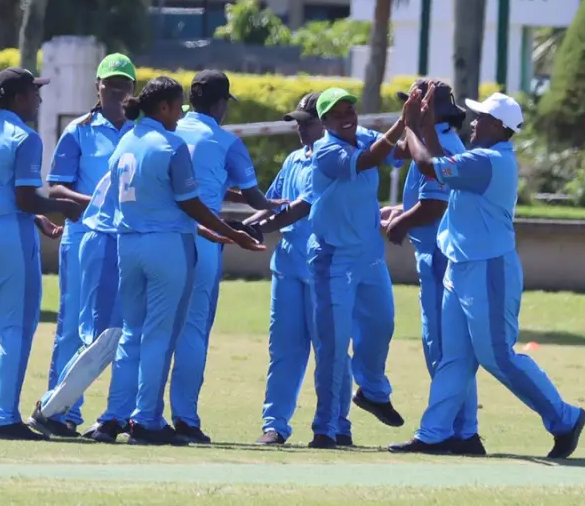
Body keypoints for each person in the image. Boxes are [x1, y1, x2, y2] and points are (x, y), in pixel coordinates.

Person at [391, 87, 585, 459]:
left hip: (489, 270)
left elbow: (428, 165)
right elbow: (439, 157)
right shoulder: (480, 157)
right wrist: (426, 124)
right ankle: (433, 434)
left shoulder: (489, 161)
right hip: (462, 266)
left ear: (498, 125)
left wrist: (413, 125)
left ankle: (565, 418)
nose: (474, 122)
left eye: (481, 117)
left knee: (498, 356)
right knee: (455, 358)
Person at [110, 76, 266, 446]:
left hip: (127, 243)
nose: (179, 115)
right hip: (169, 244)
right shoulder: (172, 143)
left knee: (132, 333)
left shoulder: (126, 140)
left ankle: (114, 416)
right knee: (169, 334)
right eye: (175, 108)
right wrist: (231, 233)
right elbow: (191, 204)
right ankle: (151, 420)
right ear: (163, 106)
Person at [0, 67, 81, 441]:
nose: (39, 99)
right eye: (33, 92)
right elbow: (25, 198)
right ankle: (3, 417)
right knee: (15, 326)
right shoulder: (25, 137)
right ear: (17, 98)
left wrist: (40, 214)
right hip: (6, 233)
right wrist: (64, 206)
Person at [170, 70, 281, 443]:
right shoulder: (226, 141)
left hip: (159, 235)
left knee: (152, 330)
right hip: (203, 238)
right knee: (193, 330)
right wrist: (277, 205)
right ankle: (185, 418)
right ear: (220, 104)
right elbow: (255, 197)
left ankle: (137, 416)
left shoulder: (167, 129)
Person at [32, 53, 137, 437]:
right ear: (98, 86)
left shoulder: (141, 132)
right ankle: (60, 410)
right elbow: (56, 186)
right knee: (74, 326)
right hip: (83, 236)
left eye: (125, 85)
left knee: (122, 328)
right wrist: (95, 201)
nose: (118, 91)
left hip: (127, 237)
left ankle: (118, 412)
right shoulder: (79, 130)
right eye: (111, 84)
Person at [380, 78, 484, 456]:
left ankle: (460, 432)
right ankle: (463, 431)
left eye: (412, 104)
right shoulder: (431, 138)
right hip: (433, 254)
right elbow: (393, 155)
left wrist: (400, 223)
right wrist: (398, 212)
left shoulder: (444, 144)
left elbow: (434, 205)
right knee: (442, 347)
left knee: (443, 347)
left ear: (431, 111)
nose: (405, 109)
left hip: (441, 255)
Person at [302, 87, 407, 449]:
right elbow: (368, 160)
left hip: (370, 256)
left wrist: (421, 120)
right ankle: (326, 426)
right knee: (333, 345)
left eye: (350, 110)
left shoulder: (364, 134)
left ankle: (373, 391)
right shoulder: (325, 150)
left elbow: (398, 152)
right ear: (324, 121)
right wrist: (403, 121)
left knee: (382, 325)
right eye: (336, 113)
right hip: (334, 258)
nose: (346, 117)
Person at [243, 92, 326, 445]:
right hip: (289, 263)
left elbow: (300, 208)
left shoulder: (331, 160)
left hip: (322, 263)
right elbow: (272, 203)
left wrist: (259, 228)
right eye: (298, 123)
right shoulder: (293, 160)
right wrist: (241, 227)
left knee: (329, 350)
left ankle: (332, 425)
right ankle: (274, 424)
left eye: (308, 123)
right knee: (284, 348)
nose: (301, 129)